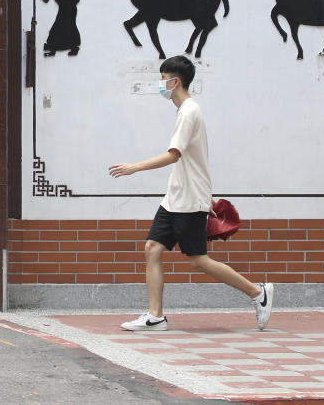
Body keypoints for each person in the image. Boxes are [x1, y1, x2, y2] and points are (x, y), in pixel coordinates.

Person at [108, 55, 273, 332]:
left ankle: (258, 293)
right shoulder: (184, 110)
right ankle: (155, 316)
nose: (161, 84)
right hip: (175, 197)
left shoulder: (189, 111)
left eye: (163, 78)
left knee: (198, 259)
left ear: (175, 81)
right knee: (152, 248)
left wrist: (134, 167)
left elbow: (174, 154)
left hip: (189, 198)